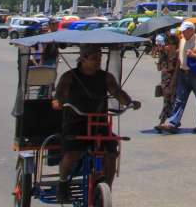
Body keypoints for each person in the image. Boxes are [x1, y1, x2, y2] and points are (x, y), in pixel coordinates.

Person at [52, 45, 140, 189]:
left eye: (100, 58)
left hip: (99, 123)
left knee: (111, 152)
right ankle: (62, 183)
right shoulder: (69, 76)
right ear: (83, 59)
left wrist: (129, 103)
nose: (98, 61)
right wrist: (58, 102)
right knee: (72, 152)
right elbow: (60, 94)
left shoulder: (106, 77)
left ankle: (107, 188)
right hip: (75, 123)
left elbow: (117, 93)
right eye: (94, 58)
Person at [159, 21, 196, 134]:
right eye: (182, 30)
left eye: (185, 30)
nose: (182, 32)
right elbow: (180, 57)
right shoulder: (182, 40)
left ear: (192, 30)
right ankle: (173, 123)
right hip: (183, 74)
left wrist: (195, 55)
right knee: (179, 100)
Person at [154, 33, 179, 129]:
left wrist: (173, 83)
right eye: (168, 43)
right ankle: (169, 122)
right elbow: (159, 68)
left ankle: (166, 122)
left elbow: (176, 70)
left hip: (173, 81)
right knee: (167, 102)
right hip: (164, 81)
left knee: (171, 102)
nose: (170, 46)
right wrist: (160, 56)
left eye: (172, 43)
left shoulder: (177, 54)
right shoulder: (163, 54)